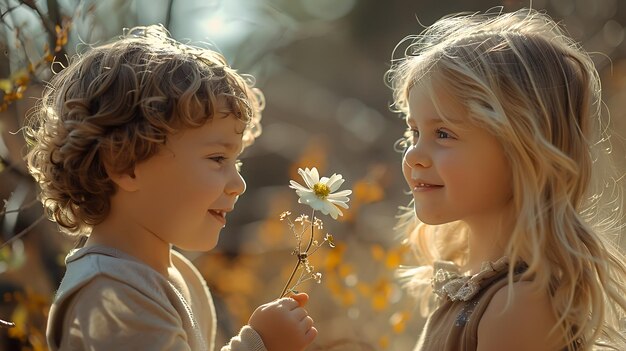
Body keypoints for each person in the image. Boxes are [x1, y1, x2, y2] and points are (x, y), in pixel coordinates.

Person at [26, 25, 317, 351]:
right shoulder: (111, 295)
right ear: (127, 166)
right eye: (218, 158)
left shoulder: (171, 274)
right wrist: (260, 345)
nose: (239, 184)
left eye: (237, 162)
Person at [386, 8, 626, 351]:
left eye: (443, 133)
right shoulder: (473, 292)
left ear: (520, 148)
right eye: (414, 132)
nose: (413, 156)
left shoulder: (517, 308)